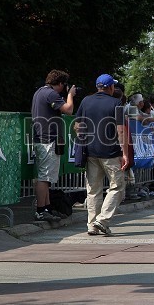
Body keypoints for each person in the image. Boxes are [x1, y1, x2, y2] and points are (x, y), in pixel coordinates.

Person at [74, 74, 129, 235]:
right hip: (110, 152)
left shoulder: (85, 101)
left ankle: (92, 225)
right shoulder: (116, 103)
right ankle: (102, 220)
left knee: (93, 189)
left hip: (90, 152)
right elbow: (120, 130)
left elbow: (78, 126)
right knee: (117, 186)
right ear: (111, 87)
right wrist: (125, 153)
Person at [31, 69, 76, 222]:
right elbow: (69, 110)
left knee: (47, 177)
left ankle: (48, 208)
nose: (65, 89)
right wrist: (70, 95)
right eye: (65, 86)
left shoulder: (40, 92)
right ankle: (41, 210)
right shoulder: (51, 94)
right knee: (44, 177)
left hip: (43, 138)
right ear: (61, 83)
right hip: (47, 139)